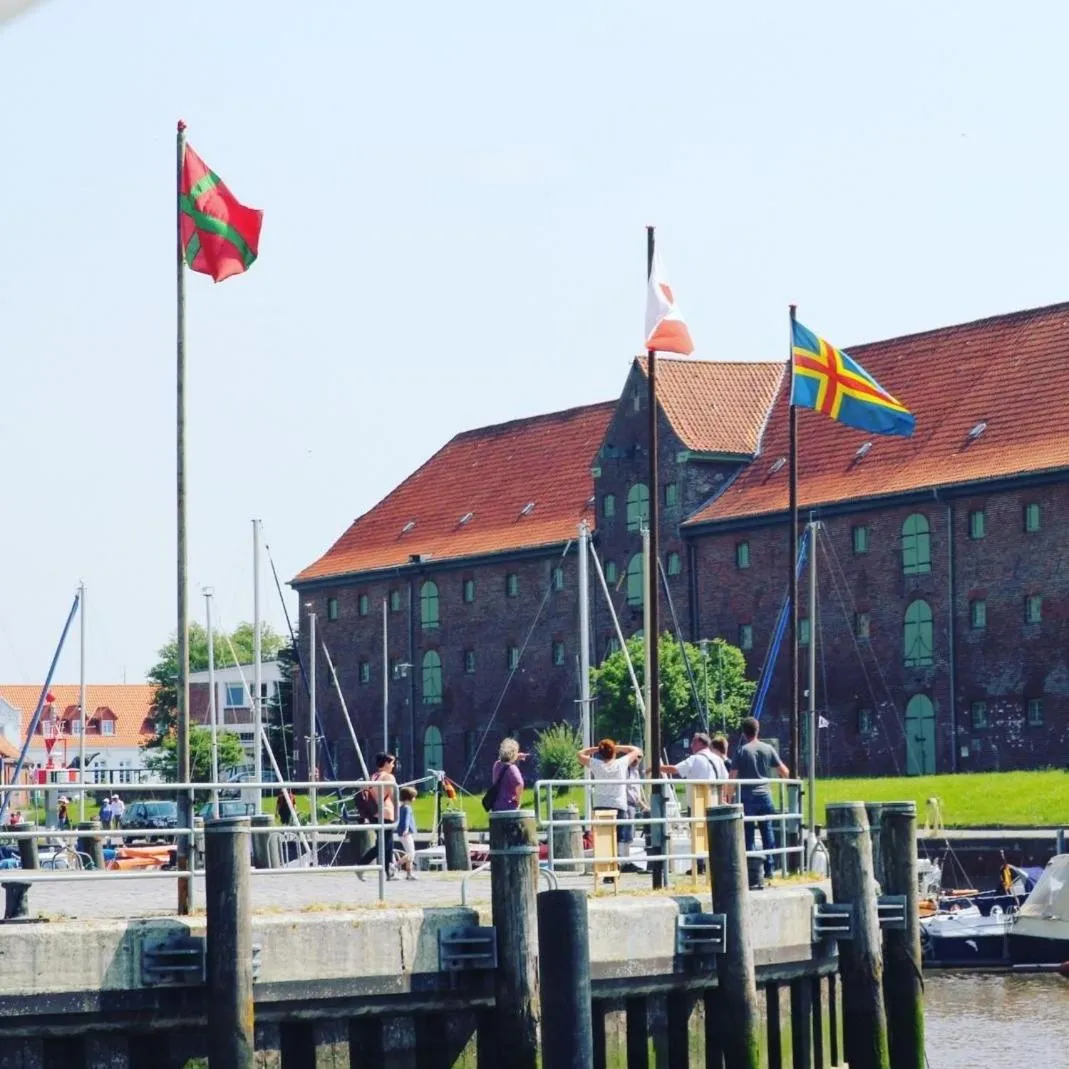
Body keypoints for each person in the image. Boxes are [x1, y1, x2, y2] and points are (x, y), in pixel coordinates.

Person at [731, 717, 790, 880]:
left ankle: (752, 870)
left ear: (744, 733)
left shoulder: (741, 751)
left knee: (748, 833)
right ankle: (769, 868)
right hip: (765, 795)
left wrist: (727, 795)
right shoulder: (768, 749)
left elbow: (733, 776)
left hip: (747, 797)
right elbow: (784, 771)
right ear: (758, 730)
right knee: (767, 830)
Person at [578, 738, 643, 845]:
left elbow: (579, 754)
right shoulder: (621, 763)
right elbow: (636, 750)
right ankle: (620, 860)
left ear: (601, 753)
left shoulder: (596, 764)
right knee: (620, 839)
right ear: (613, 752)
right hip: (618, 806)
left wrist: (596, 749)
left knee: (602, 840)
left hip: (600, 806)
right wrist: (618, 748)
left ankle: (604, 860)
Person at [357, 752, 398, 880]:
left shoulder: (373, 776)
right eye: (392, 763)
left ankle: (389, 871)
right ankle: (360, 866)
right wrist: (399, 809)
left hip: (374, 814)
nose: (393, 766)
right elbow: (393, 796)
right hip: (386, 813)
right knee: (383, 845)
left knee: (387, 843)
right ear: (386, 763)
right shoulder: (389, 777)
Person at [488, 738, 526, 812]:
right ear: (514, 753)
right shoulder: (512, 768)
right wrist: (518, 801)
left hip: (496, 807)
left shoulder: (496, 765)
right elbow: (520, 784)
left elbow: (505, 759)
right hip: (509, 808)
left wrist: (515, 756)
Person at [396, 786, 418, 880]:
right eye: (413, 797)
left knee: (410, 853)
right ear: (409, 798)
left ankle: (409, 873)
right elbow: (406, 820)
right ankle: (395, 865)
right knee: (411, 853)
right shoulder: (407, 808)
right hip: (406, 833)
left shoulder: (401, 808)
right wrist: (406, 829)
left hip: (402, 833)